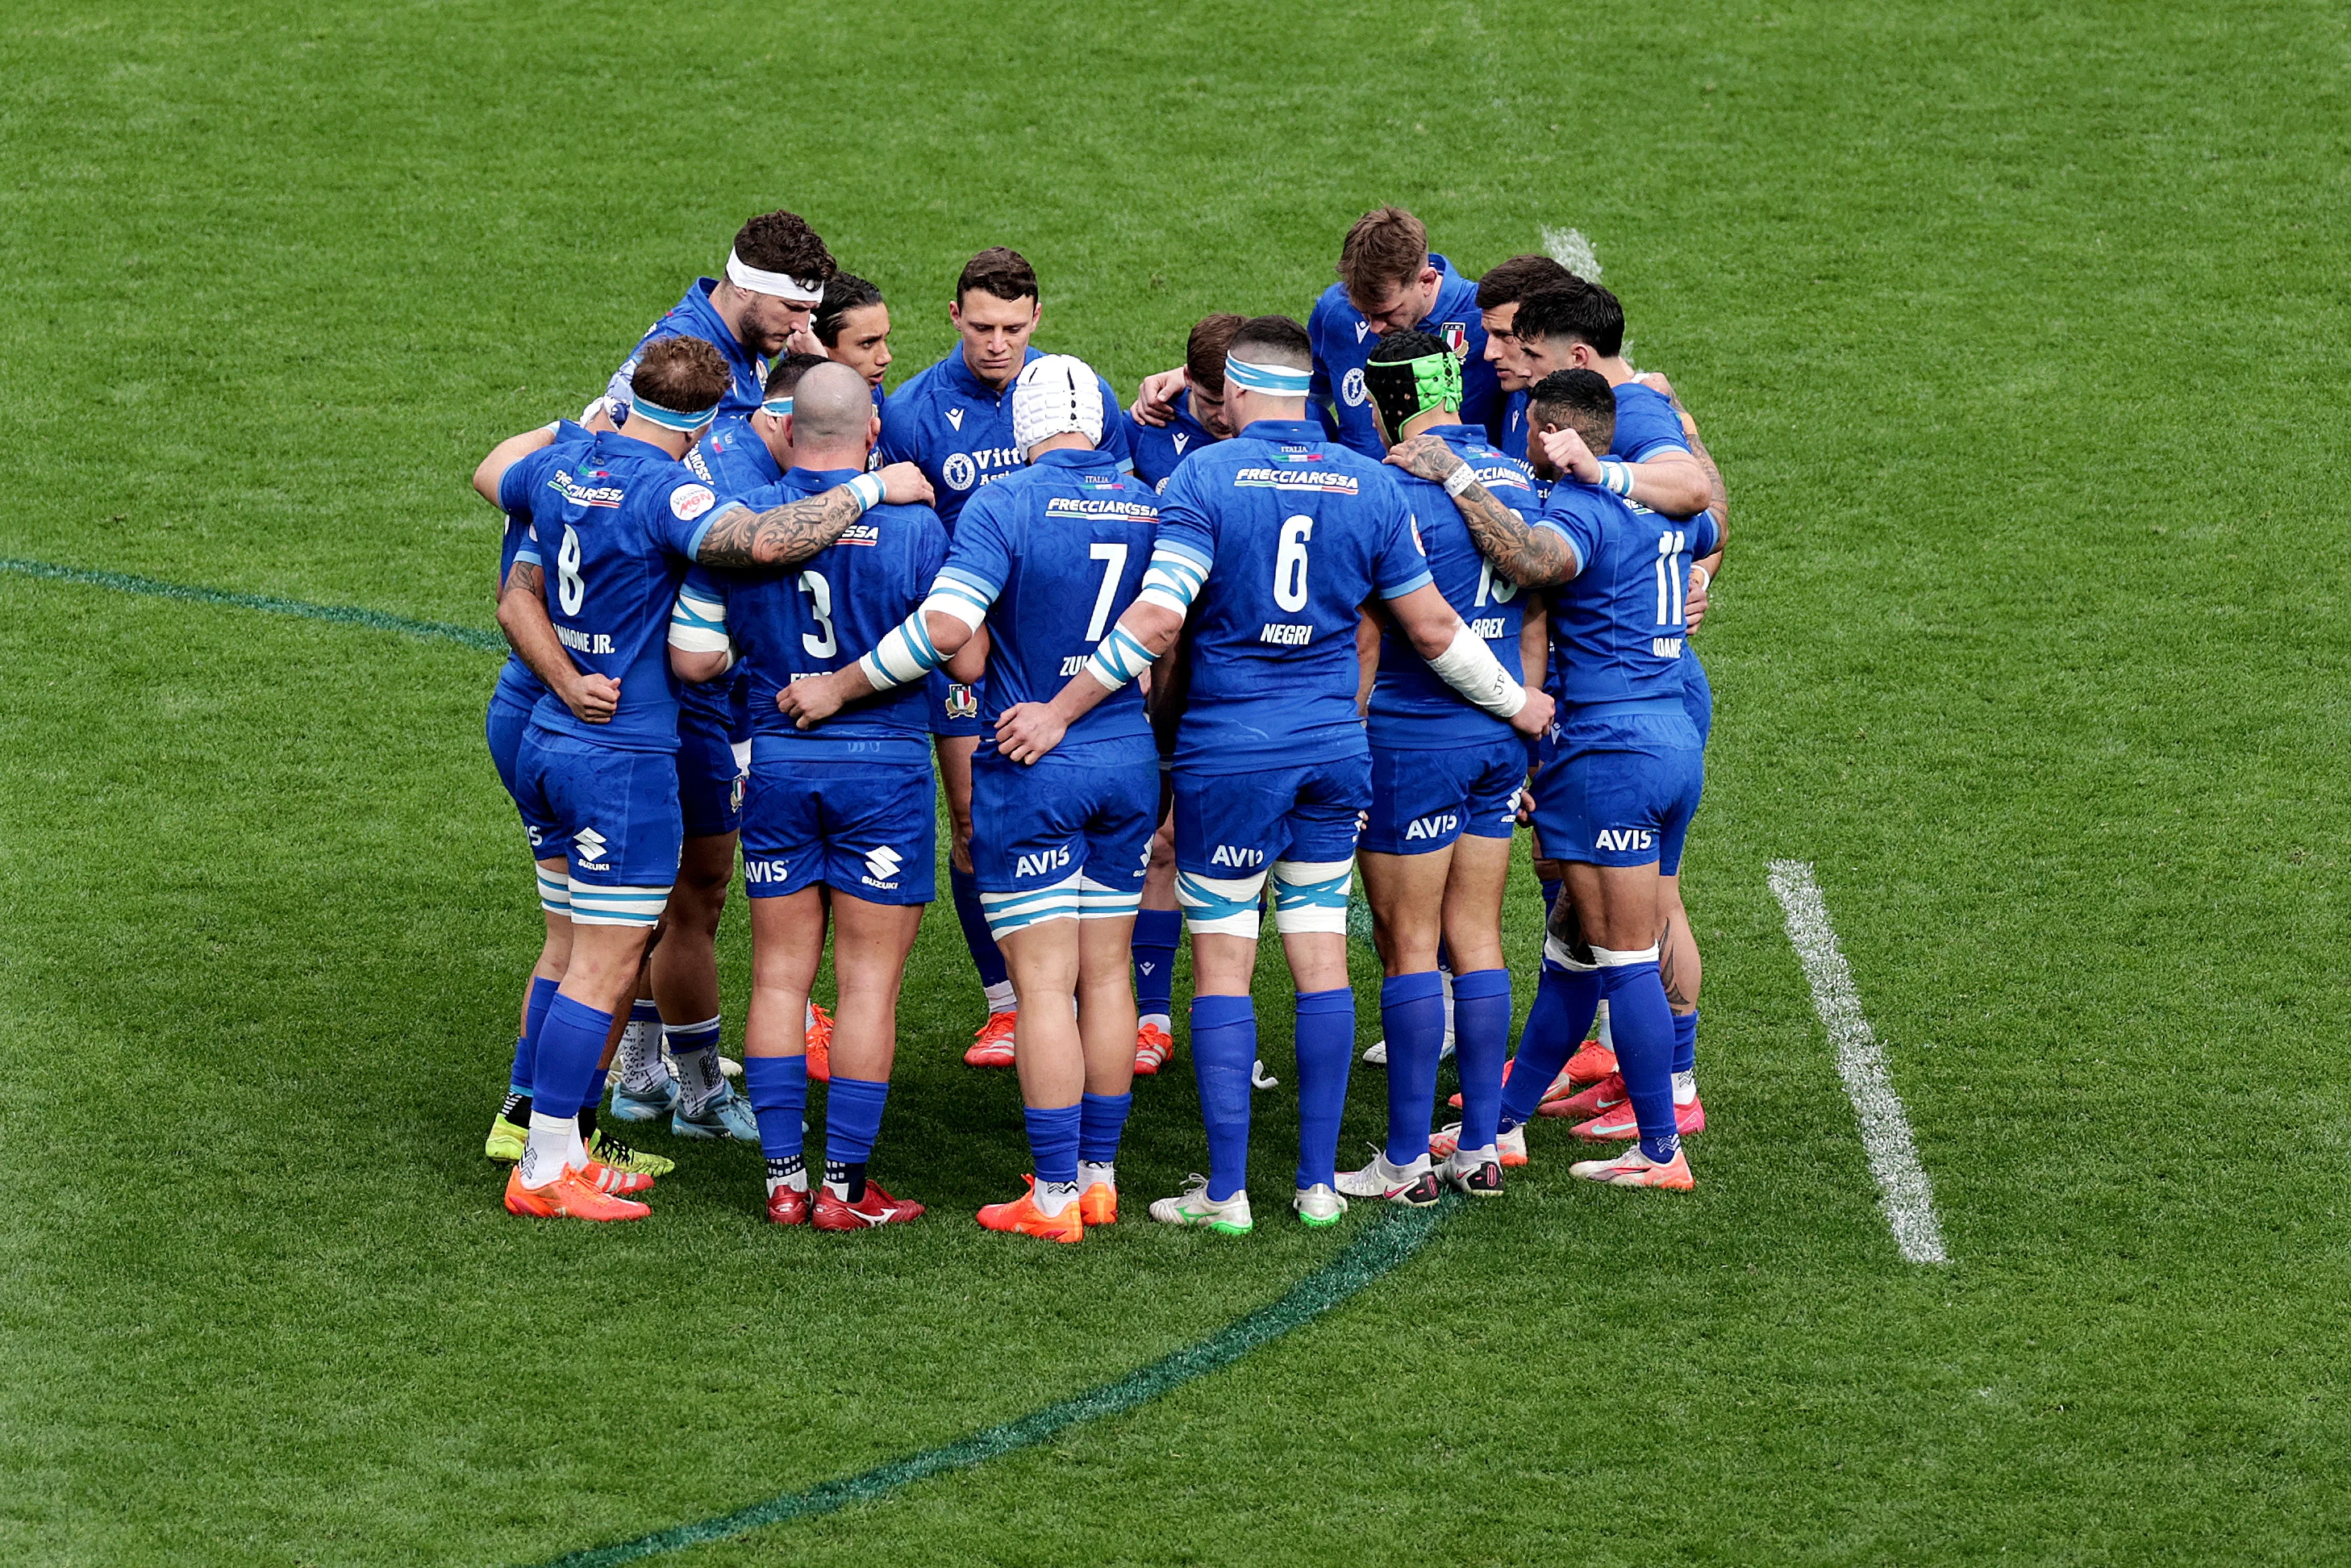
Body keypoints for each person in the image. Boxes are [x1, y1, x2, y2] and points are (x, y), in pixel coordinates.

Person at [993, 315, 1551, 1234]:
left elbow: (1160, 618)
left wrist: (1063, 708)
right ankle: (1318, 1185)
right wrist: (1518, 704)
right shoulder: (1370, 484)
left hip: (1232, 754)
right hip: (1335, 750)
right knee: (1321, 959)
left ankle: (1225, 1194)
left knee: (1222, 968)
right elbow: (1431, 628)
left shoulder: (1203, 476)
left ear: (1240, 391)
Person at [477, 339, 936, 1222]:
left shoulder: (561, 468)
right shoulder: (671, 491)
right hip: (621, 759)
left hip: (546, 730)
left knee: (573, 946)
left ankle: (556, 1140)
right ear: (701, 425)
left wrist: (567, 679)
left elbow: (514, 596)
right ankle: (541, 1168)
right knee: (609, 963)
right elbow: (764, 542)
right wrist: (874, 487)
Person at [778, 355, 1159, 1242]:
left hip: (1033, 762)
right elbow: (1168, 638)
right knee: (1107, 974)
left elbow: (950, 635)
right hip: (1125, 757)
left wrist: (837, 685)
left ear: (1021, 427)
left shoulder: (1005, 503)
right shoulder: (1151, 501)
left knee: (1041, 987)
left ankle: (1055, 1196)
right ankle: (1100, 1177)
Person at [1398, 369, 1719, 1191]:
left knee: (1622, 956)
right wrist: (1681, 424)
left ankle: (1659, 1148)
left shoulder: (1580, 507)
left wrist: (1455, 476)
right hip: (1670, 736)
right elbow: (1709, 511)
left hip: (1605, 754)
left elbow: (1532, 559)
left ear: (1546, 434)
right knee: (1574, 952)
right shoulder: (1672, 505)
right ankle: (1502, 1124)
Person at [668, 362, 950, 1230]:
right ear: (872, 434)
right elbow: (958, 649)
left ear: (787, 433)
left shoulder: (746, 528)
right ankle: (845, 1190)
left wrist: (765, 659)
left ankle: (782, 1185)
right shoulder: (915, 526)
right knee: (867, 987)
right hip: (884, 770)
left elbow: (693, 659)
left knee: (779, 979)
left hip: (779, 767)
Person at [876, 247, 1136, 1065]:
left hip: (1057, 649)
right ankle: (1004, 1003)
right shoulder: (914, 408)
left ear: (1037, 319)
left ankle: (1059, 1003)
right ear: (953, 317)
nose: (997, 343)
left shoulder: (1077, 394)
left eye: (1013, 328)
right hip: (963, 651)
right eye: (982, 327)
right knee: (969, 821)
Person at [1339, 332, 1543, 1205]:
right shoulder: (1511, 478)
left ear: (1379, 400)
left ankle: (1405, 1161)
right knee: (1479, 939)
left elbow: (1368, 637)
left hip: (1411, 742)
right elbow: (1535, 620)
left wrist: (1344, 747)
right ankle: (1483, 1149)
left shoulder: (1385, 488)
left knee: (1411, 948)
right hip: (1497, 743)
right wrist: (1522, 725)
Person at [604, 211, 836, 423]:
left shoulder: (747, 332)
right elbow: (609, 447)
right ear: (744, 287)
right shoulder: (679, 357)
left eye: (810, 310)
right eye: (792, 307)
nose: (802, 326)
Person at [1472, 253, 1579, 462]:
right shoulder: (1521, 385)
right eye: (1489, 334)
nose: (1489, 354)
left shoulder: (1607, 414)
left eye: (1506, 336)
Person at [688, 351, 829, 496]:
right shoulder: (754, 502)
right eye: (822, 435)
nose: (831, 457)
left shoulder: (717, 423)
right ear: (774, 420)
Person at [1128, 313, 1241, 492]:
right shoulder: (1142, 426)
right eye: (1211, 402)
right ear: (1187, 377)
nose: (1224, 419)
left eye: (1235, 401)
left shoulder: (1280, 426)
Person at [813, 273, 894, 414]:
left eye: (885, 338)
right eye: (867, 343)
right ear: (818, 345)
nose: (886, 357)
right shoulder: (798, 414)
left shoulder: (864, 381)